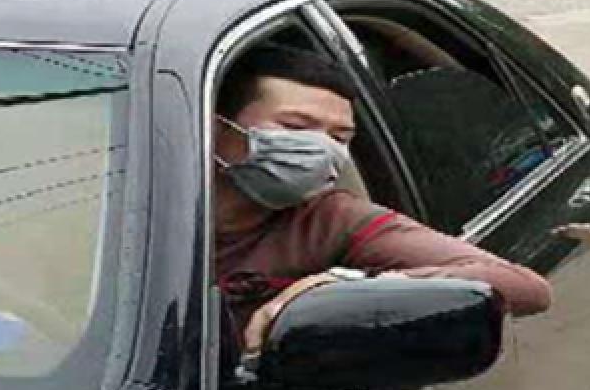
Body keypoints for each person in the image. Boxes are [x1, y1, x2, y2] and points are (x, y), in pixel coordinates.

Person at [213, 45, 552, 354]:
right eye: (296, 126)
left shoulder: (333, 219)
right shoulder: (177, 215)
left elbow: (526, 288)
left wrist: (350, 289)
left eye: (339, 138)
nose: (322, 149)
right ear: (215, 128)